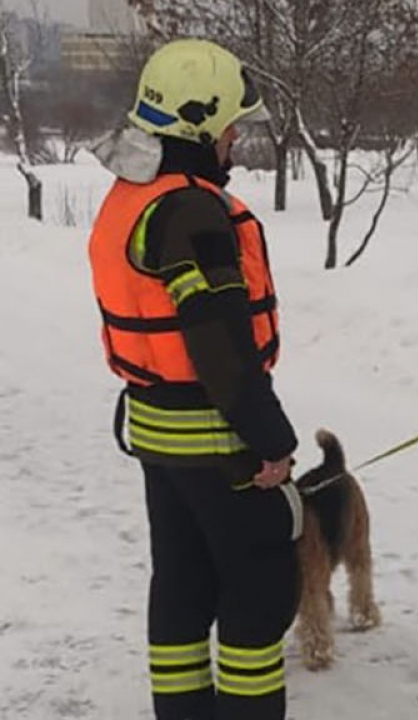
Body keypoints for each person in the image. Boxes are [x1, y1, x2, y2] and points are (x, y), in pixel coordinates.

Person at [87, 39, 300, 720]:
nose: (235, 139)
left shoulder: (134, 196)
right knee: (260, 589)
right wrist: (270, 439)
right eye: (230, 126)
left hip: (157, 432)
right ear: (199, 123)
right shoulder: (193, 211)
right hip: (216, 437)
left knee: (181, 585)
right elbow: (219, 344)